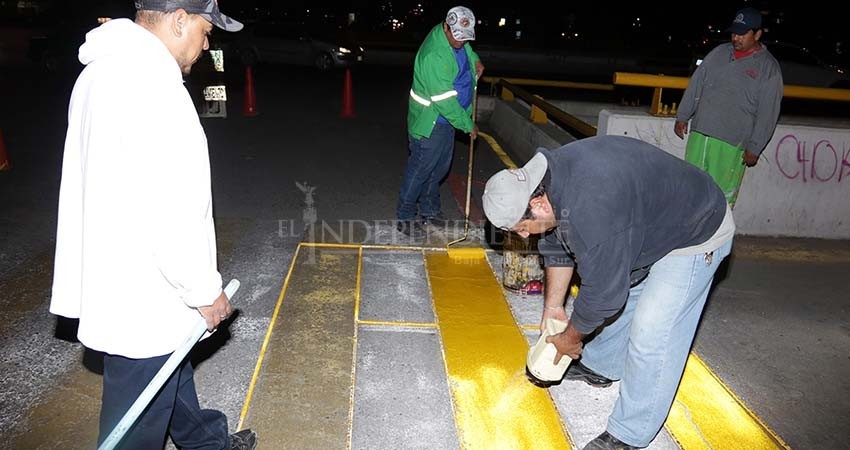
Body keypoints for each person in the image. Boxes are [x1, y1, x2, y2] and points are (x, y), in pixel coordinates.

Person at [50, 1, 256, 449]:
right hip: (143, 288)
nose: (207, 44)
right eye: (205, 31)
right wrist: (204, 291)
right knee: (135, 422)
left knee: (166, 368)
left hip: (117, 268)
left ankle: (207, 443)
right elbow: (169, 207)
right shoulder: (155, 88)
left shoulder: (101, 71)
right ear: (180, 19)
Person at [482, 135, 735, 450]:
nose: (522, 236)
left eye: (521, 228)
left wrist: (570, 339)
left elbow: (603, 295)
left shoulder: (591, 209)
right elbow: (557, 245)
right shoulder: (550, 183)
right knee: (620, 285)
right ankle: (601, 365)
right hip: (649, 222)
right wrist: (553, 307)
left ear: (538, 204)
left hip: (696, 229)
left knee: (652, 331)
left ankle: (629, 433)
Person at [674, 6, 783, 208]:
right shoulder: (718, 53)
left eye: (742, 34)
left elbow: (768, 112)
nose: (736, 38)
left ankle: (720, 229)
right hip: (700, 134)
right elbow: (697, 83)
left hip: (732, 143)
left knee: (720, 198)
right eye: (734, 33)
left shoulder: (768, 68)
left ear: (757, 34)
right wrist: (683, 115)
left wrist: (755, 147)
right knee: (690, 190)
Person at [396, 5, 485, 238]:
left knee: (439, 169)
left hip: (447, 122)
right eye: (457, 37)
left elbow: (467, 50)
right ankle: (405, 216)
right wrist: (467, 124)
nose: (461, 42)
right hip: (431, 122)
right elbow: (445, 102)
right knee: (421, 170)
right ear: (446, 27)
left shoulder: (454, 37)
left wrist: (475, 59)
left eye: (465, 38)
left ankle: (430, 211)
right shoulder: (434, 55)